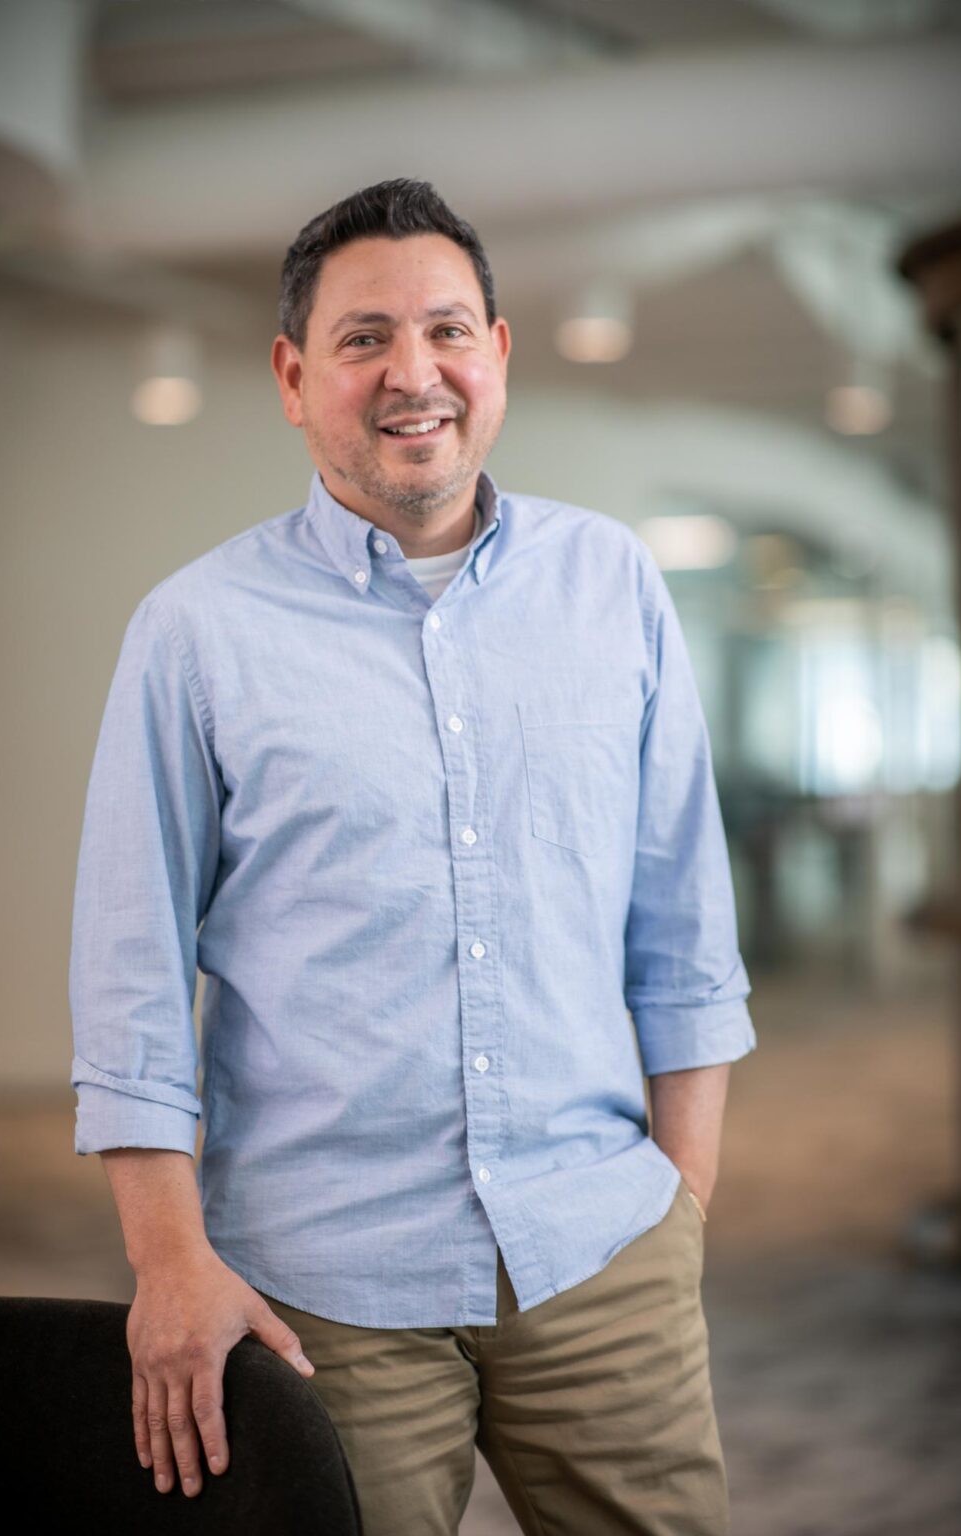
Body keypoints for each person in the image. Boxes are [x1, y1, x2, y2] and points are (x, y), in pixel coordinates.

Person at [69, 178, 757, 1536]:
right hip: (323, 1288)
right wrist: (168, 1266)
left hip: (601, 1248)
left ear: (497, 352)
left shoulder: (611, 582)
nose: (412, 373)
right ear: (293, 374)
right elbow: (130, 979)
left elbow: (684, 920)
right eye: (363, 337)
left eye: (446, 330)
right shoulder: (195, 632)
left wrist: (679, 1207)